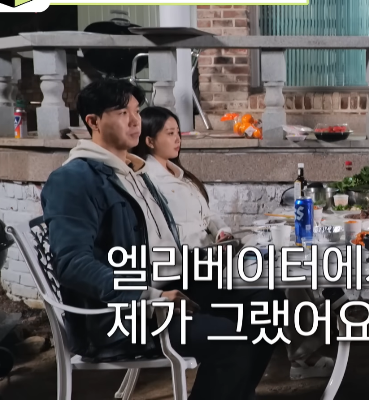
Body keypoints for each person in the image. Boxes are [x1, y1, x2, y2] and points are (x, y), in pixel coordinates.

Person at [41, 79, 279, 399]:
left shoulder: (133, 172)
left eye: (135, 111)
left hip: (166, 286)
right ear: (93, 122)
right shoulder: (74, 179)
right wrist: (148, 295)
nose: (134, 121)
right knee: (230, 337)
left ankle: (234, 394)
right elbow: (72, 264)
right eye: (122, 113)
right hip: (122, 317)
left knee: (268, 303)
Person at [133, 106, 335, 380]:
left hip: (215, 255)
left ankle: (290, 357)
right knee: (276, 277)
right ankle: (300, 357)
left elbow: (209, 215)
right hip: (195, 270)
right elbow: (172, 237)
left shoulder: (181, 176)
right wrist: (210, 251)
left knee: (280, 266)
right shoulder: (147, 183)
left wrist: (222, 232)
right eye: (170, 134)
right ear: (149, 140)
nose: (177, 139)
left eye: (178, 132)